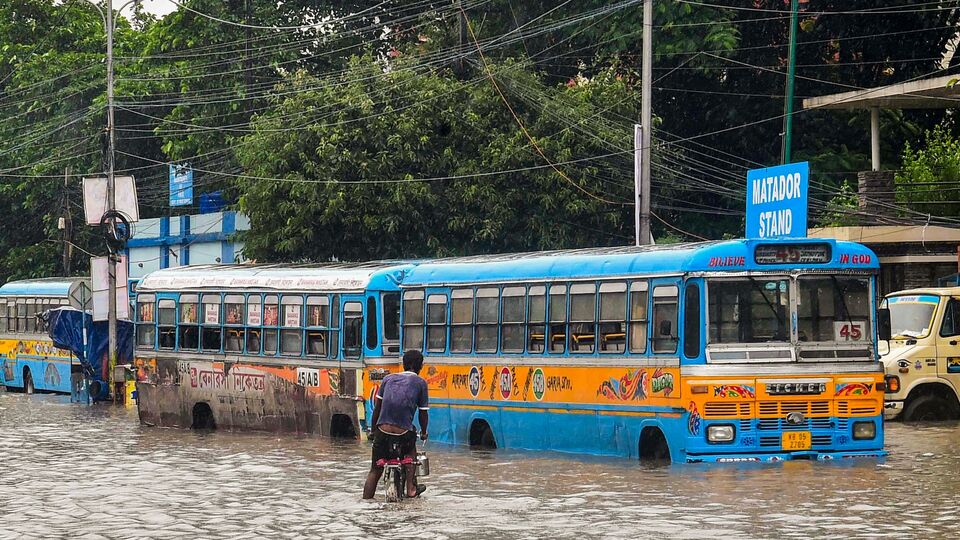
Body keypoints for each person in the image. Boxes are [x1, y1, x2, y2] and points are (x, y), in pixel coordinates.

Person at [362, 350, 429, 499]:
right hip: (403, 433)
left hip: (382, 430)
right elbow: (423, 413)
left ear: (404, 364)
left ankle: (366, 501)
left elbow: (377, 408)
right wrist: (424, 432)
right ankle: (411, 488)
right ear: (419, 366)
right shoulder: (421, 383)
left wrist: (373, 431)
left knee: (375, 470)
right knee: (411, 451)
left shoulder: (388, 379)